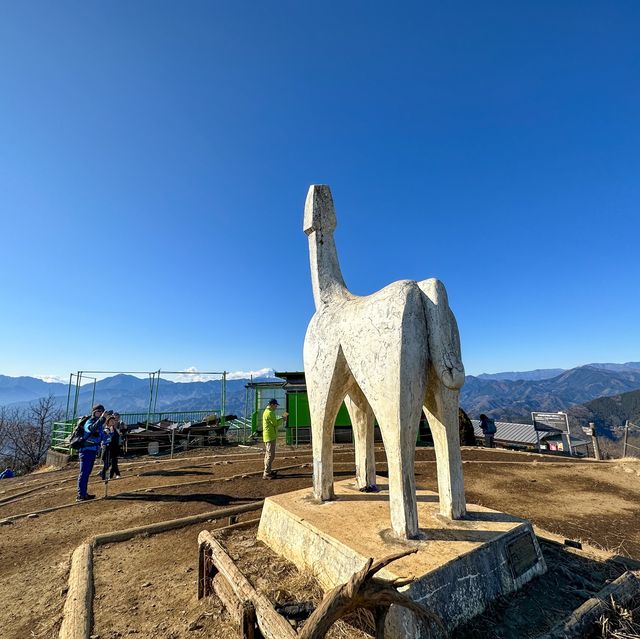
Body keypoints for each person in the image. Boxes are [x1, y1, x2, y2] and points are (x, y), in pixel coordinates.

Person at [76, 404, 111, 501]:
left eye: (101, 412)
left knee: (87, 474)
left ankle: (84, 493)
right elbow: (91, 429)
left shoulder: (99, 425)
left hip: (92, 452)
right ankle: (80, 495)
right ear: (94, 412)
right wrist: (102, 419)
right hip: (85, 451)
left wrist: (108, 434)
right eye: (98, 412)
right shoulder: (89, 422)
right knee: (83, 473)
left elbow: (101, 437)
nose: (100, 414)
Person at [262, 399, 288, 479]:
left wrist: (280, 418)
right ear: (272, 405)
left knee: (268, 454)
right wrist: (283, 419)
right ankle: (266, 473)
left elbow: (273, 421)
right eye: (276, 405)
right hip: (270, 436)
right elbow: (275, 424)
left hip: (269, 436)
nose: (276, 407)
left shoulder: (268, 412)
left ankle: (268, 471)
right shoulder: (269, 413)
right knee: (270, 455)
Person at [99, 414, 122, 480]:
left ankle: (112, 475)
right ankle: (104, 476)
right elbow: (105, 439)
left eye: (113, 421)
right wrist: (111, 433)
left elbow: (117, 437)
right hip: (108, 448)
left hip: (114, 448)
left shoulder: (114, 429)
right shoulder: (106, 429)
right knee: (107, 464)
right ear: (108, 421)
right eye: (111, 421)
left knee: (114, 462)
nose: (112, 422)